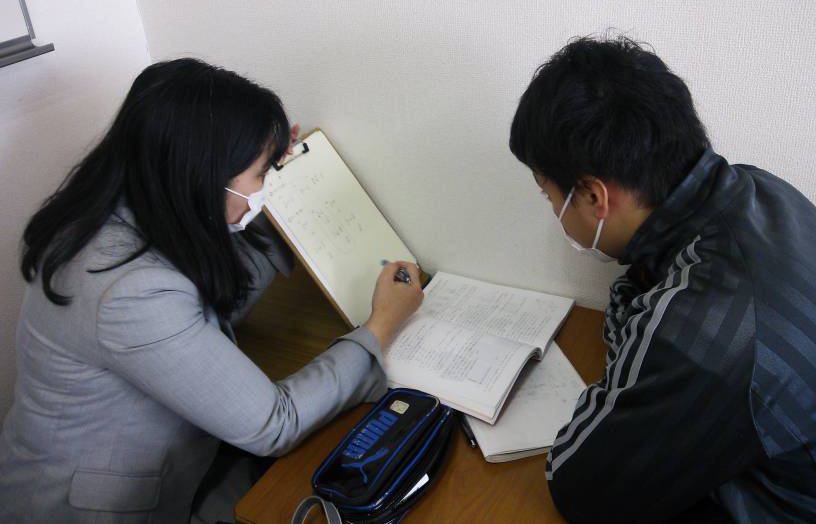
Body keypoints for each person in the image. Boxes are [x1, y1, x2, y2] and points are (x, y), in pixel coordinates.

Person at [0, 58, 423, 523]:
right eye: (261, 174)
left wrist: (281, 186)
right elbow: (274, 423)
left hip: (160, 463)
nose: (264, 187)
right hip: (86, 508)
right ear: (204, 174)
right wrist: (381, 326)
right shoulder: (128, 289)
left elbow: (213, 300)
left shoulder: (129, 206)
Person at [509, 36, 816, 523]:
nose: (553, 210)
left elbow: (580, 486)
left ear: (593, 196)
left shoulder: (701, 330)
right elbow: (635, 297)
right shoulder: (756, 189)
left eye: (548, 195)